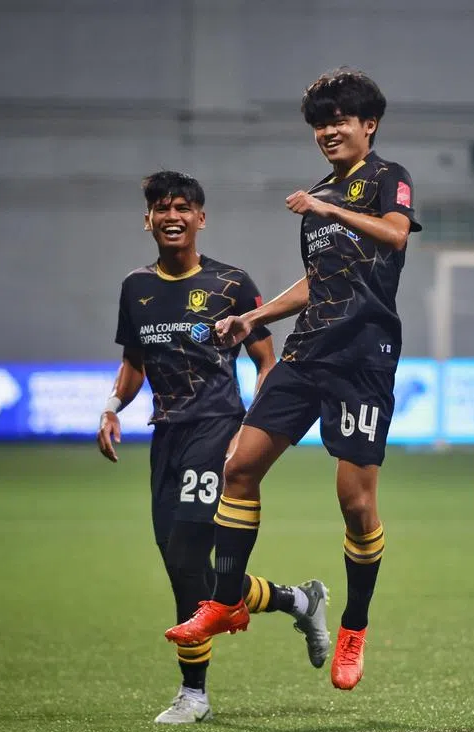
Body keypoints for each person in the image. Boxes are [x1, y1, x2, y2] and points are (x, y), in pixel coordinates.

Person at [164, 68, 421, 692]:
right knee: (240, 467)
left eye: (340, 120)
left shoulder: (389, 179)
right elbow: (318, 284)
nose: (329, 131)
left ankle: (354, 626)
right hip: (308, 351)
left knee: (357, 506)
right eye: (320, 123)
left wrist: (327, 207)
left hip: (363, 357)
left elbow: (392, 235)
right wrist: (253, 315)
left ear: (369, 125)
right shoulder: (316, 199)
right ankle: (226, 601)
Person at [99, 171, 329, 724]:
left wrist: (251, 430)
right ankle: (298, 600)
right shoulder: (135, 288)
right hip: (167, 437)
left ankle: (193, 694)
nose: (171, 215)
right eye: (161, 207)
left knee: (184, 561)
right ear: (148, 219)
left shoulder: (231, 283)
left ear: (201, 218)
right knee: (190, 571)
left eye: (182, 207)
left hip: (218, 430)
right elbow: (135, 363)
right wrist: (111, 405)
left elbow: (267, 360)